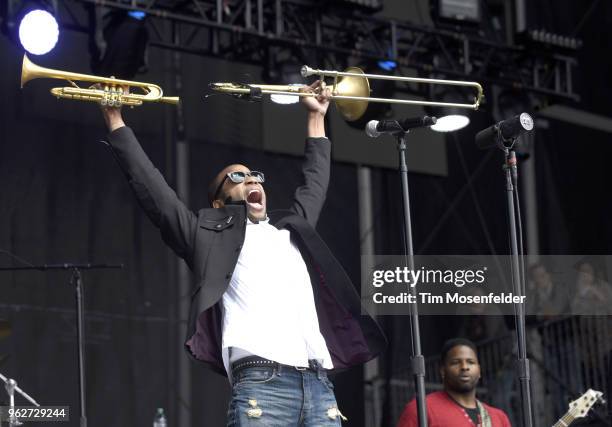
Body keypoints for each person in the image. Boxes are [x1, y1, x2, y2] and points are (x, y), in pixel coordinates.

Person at [99, 81, 386, 426]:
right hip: (262, 385)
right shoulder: (208, 237)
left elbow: (315, 182)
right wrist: (115, 118)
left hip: (320, 384)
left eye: (255, 176)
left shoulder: (290, 231)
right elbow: (156, 194)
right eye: (237, 177)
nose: (252, 181)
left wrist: (316, 117)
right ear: (220, 201)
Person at [397, 338, 512, 427]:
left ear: (479, 371)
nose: (464, 367)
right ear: (443, 371)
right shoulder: (421, 409)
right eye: (456, 362)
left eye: (470, 362)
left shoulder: (499, 417)